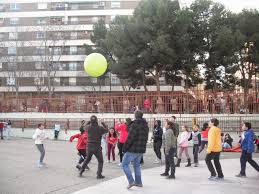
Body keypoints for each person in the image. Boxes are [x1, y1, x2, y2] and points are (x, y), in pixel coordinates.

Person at [122, 110, 149, 189]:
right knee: (137, 166)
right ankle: (139, 182)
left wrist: (124, 148)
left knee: (124, 164)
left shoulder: (134, 124)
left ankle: (131, 181)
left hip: (132, 149)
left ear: (135, 116)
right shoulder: (145, 125)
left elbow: (130, 138)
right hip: (141, 149)